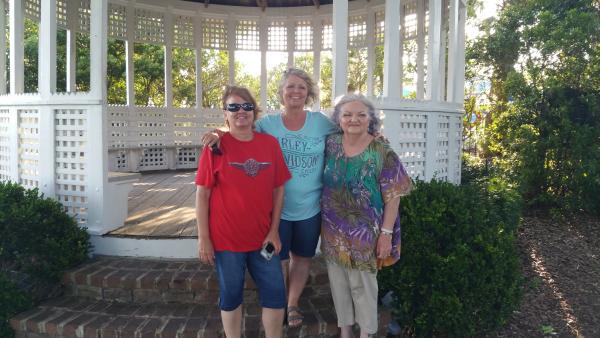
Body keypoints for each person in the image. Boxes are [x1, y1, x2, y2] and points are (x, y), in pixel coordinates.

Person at [201, 68, 337, 328]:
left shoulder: (320, 122)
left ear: (308, 92)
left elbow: (347, 132)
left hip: (310, 206)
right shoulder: (269, 124)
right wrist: (218, 132)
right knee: (279, 258)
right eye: (290, 87)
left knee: (303, 257)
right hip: (277, 211)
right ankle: (279, 301)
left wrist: (374, 136)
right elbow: (240, 125)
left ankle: (292, 302)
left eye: (301, 86)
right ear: (281, 92)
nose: (295, 91)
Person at [195, 85, 291, 338]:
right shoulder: (215, 147)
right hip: (226, 240)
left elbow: (278, 189)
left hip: (263, 240)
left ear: (254, 111)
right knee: (231, 294)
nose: (241, 111)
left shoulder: (269, 144)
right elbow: (202, 194)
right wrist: (204, 237)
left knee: (275, 293)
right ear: (225, 113)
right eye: (233, 107)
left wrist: (274, 231)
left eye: (247, 106)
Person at [320, 94, 412, 338]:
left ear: (370, 119)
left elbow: (394, 195)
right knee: (338, 283)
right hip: (332, 230)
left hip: (366, 233)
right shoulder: (331, 144)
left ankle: (367, 332)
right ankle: (345, 331)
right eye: (347, 114)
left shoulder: (382, 151)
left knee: (364, 287)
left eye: (361, 114)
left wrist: (386, 234)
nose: (354, 119)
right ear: (338, 119)